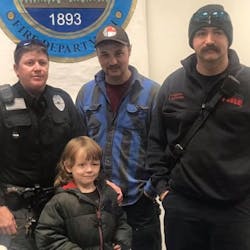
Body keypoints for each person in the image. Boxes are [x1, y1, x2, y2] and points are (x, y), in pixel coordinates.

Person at [147, 4, 250, 250]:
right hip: (183, 208)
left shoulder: (247, 84)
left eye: (218, 32)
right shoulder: (173, 85)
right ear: (192, 40)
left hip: (235, 211)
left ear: (229, 39)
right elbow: (155, 141)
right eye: (202, 33)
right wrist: (163, 191)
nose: (209, 40)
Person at [76, 25, 162, 250]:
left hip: (140, 204)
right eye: (105, 54)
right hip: (98, 203)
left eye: (118, 53)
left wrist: (149, 191)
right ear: (97, 56)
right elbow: (79, 149)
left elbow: (163, 148)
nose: (112, 61)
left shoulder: (153, 93)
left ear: (129, 51)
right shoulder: (86, 94)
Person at [0, 39, 85, 249]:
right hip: (15, 210)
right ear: (16, 69)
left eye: (42, 62)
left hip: (58, 204)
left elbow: (82, 150)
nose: (37, 68)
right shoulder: (2, 103)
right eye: (30, 63)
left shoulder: (62, 101)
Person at [35, 136, 132, 250]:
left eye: (94, 164)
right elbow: (47, 236)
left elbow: (121, 222)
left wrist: (121, 242)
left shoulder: (108, 194)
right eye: (82, 165)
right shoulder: (60, 201)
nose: (89, 170)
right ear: (68, 166)